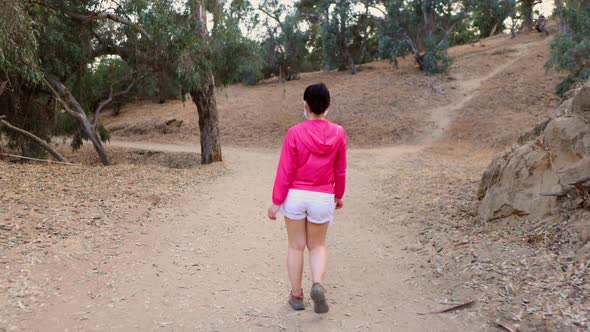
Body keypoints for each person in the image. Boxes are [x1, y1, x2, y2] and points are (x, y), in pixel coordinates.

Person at [267, 83, 347, 314]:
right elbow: (340, 170)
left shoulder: (294, 133)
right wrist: (338, 195)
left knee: (295, 246)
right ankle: (318, 285)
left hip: (296, 195)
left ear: (305, 106)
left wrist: (276, 201)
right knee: (317, 245)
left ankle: (296, 296)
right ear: (328, 107)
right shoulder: (339, 133)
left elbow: (286, 170)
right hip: (322, 196)